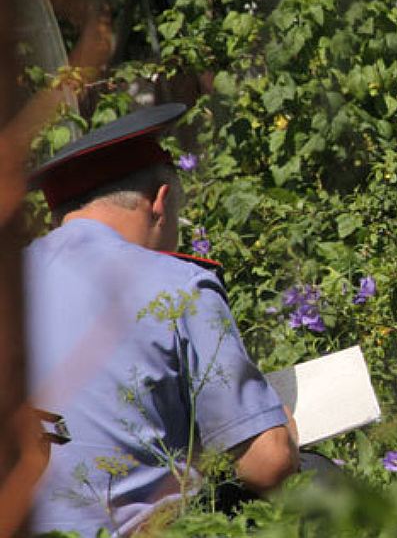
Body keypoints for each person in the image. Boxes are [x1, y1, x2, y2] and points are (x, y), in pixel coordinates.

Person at [24, 103, 299, 536]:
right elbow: (268, 466)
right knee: (318, 481)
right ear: (160, 201)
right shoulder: (177, 285)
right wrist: (280, 423)